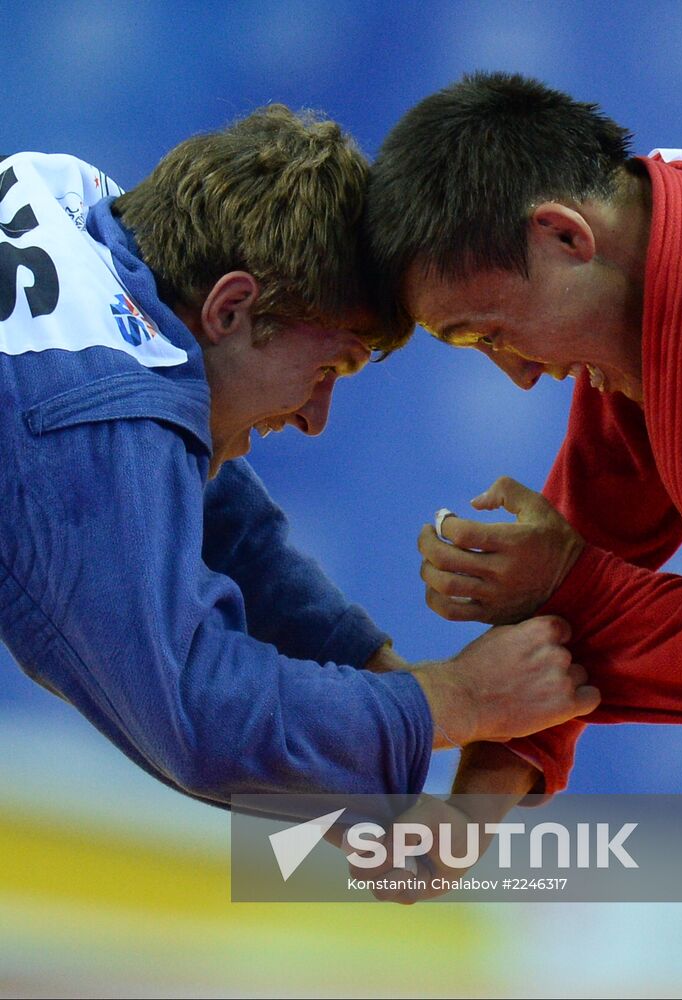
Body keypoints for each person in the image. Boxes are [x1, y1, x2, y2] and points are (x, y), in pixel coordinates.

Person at [360, 66, 682, 928]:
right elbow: (585, 550)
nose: (520, 374)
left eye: (489, 332)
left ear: (563, 235)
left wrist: (576, 588)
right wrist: (464, 823)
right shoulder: (681, 218)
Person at [0, 104, 600, 811]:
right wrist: (457, 699)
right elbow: (196, 716)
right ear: (230, 308)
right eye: (329, 369)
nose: (316, 419)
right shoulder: (86, 415)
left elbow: (206, 519)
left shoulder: (82, 213)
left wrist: (380, 683)